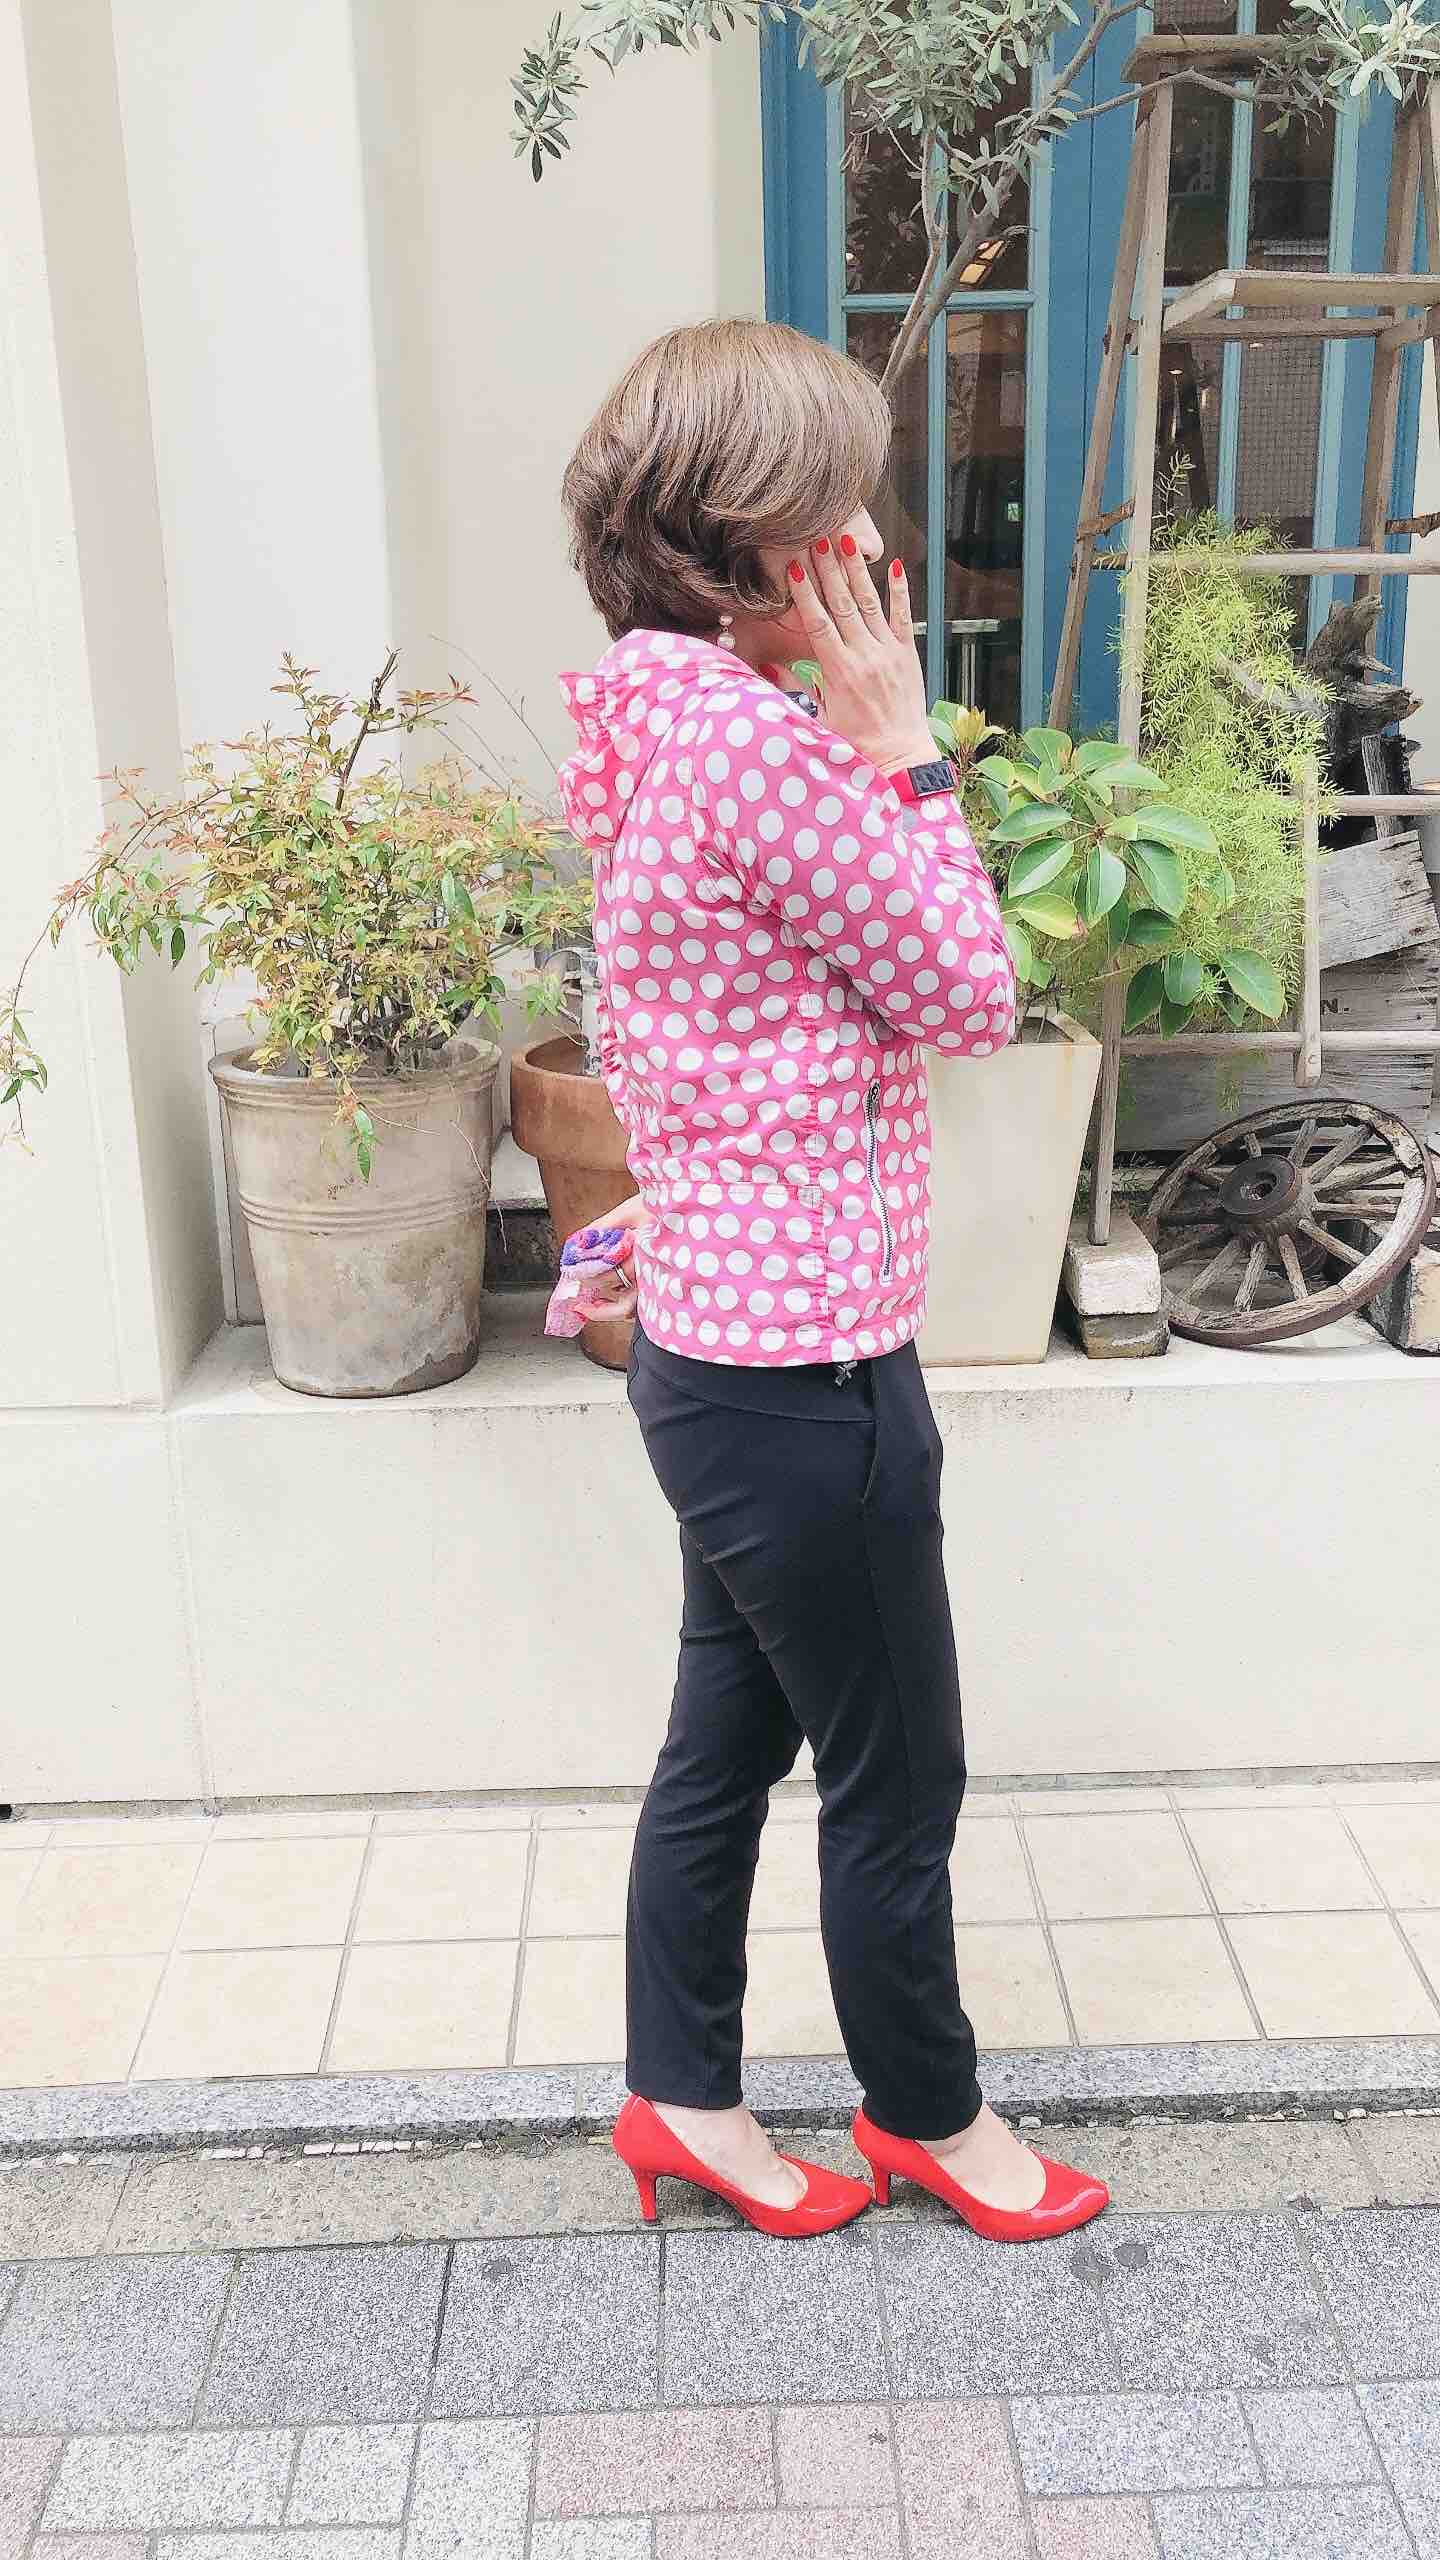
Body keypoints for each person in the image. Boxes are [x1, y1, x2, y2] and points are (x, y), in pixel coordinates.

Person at [554, 317, 1108, 2245]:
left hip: (718, 1349)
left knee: (724, 1743)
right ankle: (932, 2120)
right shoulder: (758, 743)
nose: (876, 541)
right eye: (843, 504)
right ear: (751, 540)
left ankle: (680, 2099)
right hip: (806, 1378)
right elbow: (967, 994)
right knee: (897, 1776)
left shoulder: (647, 714)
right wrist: (903, 752)